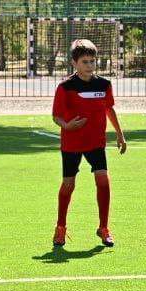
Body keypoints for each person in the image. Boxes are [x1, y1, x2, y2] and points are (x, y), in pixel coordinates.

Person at [51, 39, 126, 248]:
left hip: (96, 143)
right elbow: (55, 116)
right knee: (68, 184)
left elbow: (109, 109)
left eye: (93, 61)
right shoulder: (65, 87)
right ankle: (60, 228)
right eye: (85, 61)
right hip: (72, 144)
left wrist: (120, 134)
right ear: (74, 63)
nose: (90, 65)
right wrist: (66, 125)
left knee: (103, 180)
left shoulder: (104, 85)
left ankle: (104, 228)